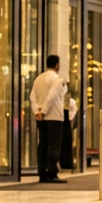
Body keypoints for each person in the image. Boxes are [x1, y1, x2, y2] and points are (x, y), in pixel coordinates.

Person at [30, 55, 69, 183]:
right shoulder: (57, 79)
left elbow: (32, 97)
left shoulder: (38, 79)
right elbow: (52, 97)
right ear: (57, 65)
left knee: (43, 145)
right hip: (54, 116)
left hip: (41, 118)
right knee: (54, 145)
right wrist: (44, 112)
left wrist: (37, 111)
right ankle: (52, 173)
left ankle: (42, 173)